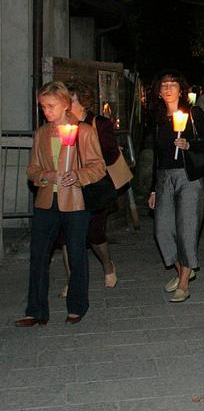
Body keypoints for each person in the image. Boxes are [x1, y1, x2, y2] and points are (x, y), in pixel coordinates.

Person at [16, 81, 105, 327]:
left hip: (75, 202)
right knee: (38, 256)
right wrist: (46, 176)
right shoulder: (42, 133)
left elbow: (98, 167)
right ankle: (36, 311)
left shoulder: (84, 131)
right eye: (43, 107)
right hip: (46, 201)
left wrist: (77, 175)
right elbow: (32, 169)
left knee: (76, 254)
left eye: (51, 106)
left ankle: (77, 307)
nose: (46, 111)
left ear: (66, 104)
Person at [148, 70, 204, 302]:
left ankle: (185, 282)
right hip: (164, 177)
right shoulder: (158, 118)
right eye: (164, 85)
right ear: (159, 91)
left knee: (186, 229)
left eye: (173, 85)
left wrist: (189, 144)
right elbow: (156, 156)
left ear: (181, 89)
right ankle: (182, 271)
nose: (168, 89)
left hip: (188, 177)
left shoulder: (194, 113)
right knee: (163, 230)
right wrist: (153, 189)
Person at [56, 81, 128, 298]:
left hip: (93, 187)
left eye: (70, 98)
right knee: (66, 236)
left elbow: (111, 154)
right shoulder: (59, 123)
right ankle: (73, 281)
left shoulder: (99, 123)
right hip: (68, 187)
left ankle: (108, 265)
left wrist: (87, 159)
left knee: (95, 233)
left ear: (81, 99)